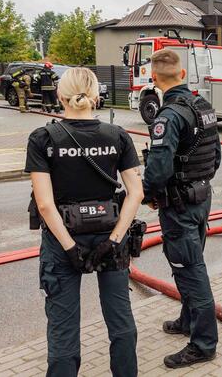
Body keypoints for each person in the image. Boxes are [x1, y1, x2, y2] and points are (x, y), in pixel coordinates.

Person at [25, 67, 144, 377]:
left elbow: (45, 204)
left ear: (60, 96)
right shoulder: (117, 136)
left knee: (63, 332)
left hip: (62, 242)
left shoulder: (43, 138)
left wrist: (70, 249)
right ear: (95, 96)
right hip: (110, 238)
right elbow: (136, 194)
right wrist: (114, 241)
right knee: (121, 324)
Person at [142, 49, 221, 368]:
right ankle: (188, 320)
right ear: (183, 75)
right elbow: (216, 156)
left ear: (155, 79)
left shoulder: (168, 116)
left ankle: (203, 344)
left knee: (190, 271)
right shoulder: (203, 106)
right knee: (190, 263)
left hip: (179, 204)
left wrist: (147, 194)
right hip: (201, 198)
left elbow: (158, 171)